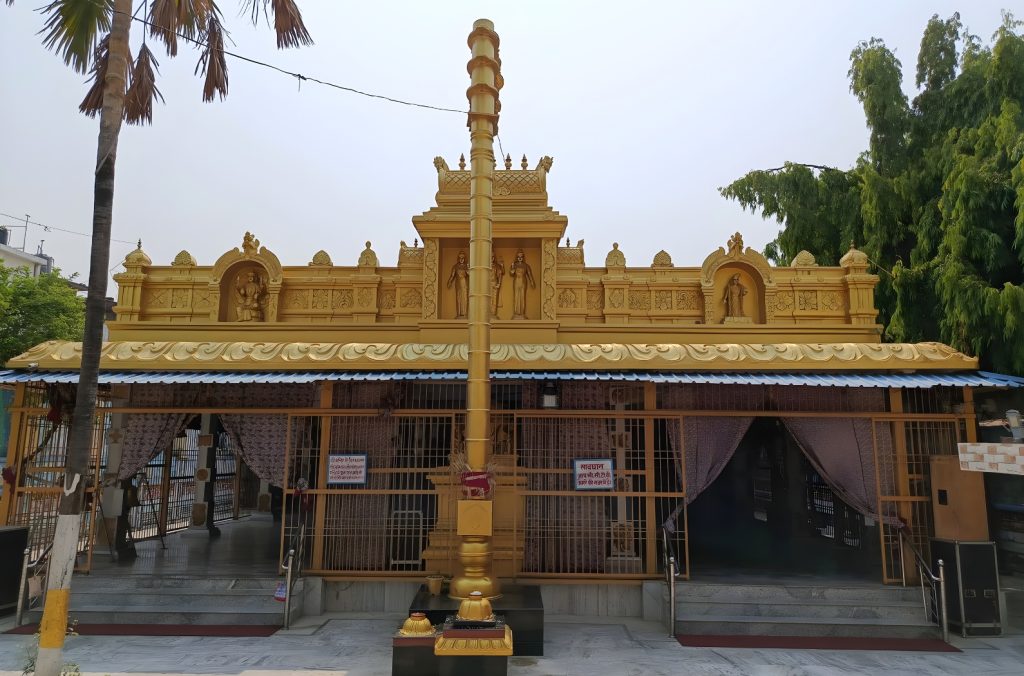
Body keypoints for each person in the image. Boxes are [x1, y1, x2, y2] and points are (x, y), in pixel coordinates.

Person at [509, 249, 535, 319]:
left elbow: (529, 274)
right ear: (517, 257)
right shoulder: (514, 265)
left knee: (522, 297)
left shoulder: (526, 265)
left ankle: (522, 313)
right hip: (516, 281)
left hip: (523, 282)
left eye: (521, 257)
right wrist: (512, 268)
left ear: (523, 257)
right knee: (516, 297)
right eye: (518, 257)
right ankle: (516, 313)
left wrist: (532, 282)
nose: (520, 258)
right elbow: (511, 273)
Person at [447, 251, 469, 318]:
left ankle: (465, 314)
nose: (461, 259)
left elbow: (471, 275)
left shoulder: (466, 266)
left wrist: (468, 269)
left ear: (465, 258)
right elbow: (452, 276)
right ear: (458, 258)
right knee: (459, 299)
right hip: (458, 285)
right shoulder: (455, 266)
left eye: (463, 258)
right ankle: (459, 314)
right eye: (460, 258)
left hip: (465, 285)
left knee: (465, 299)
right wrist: (449, 282)